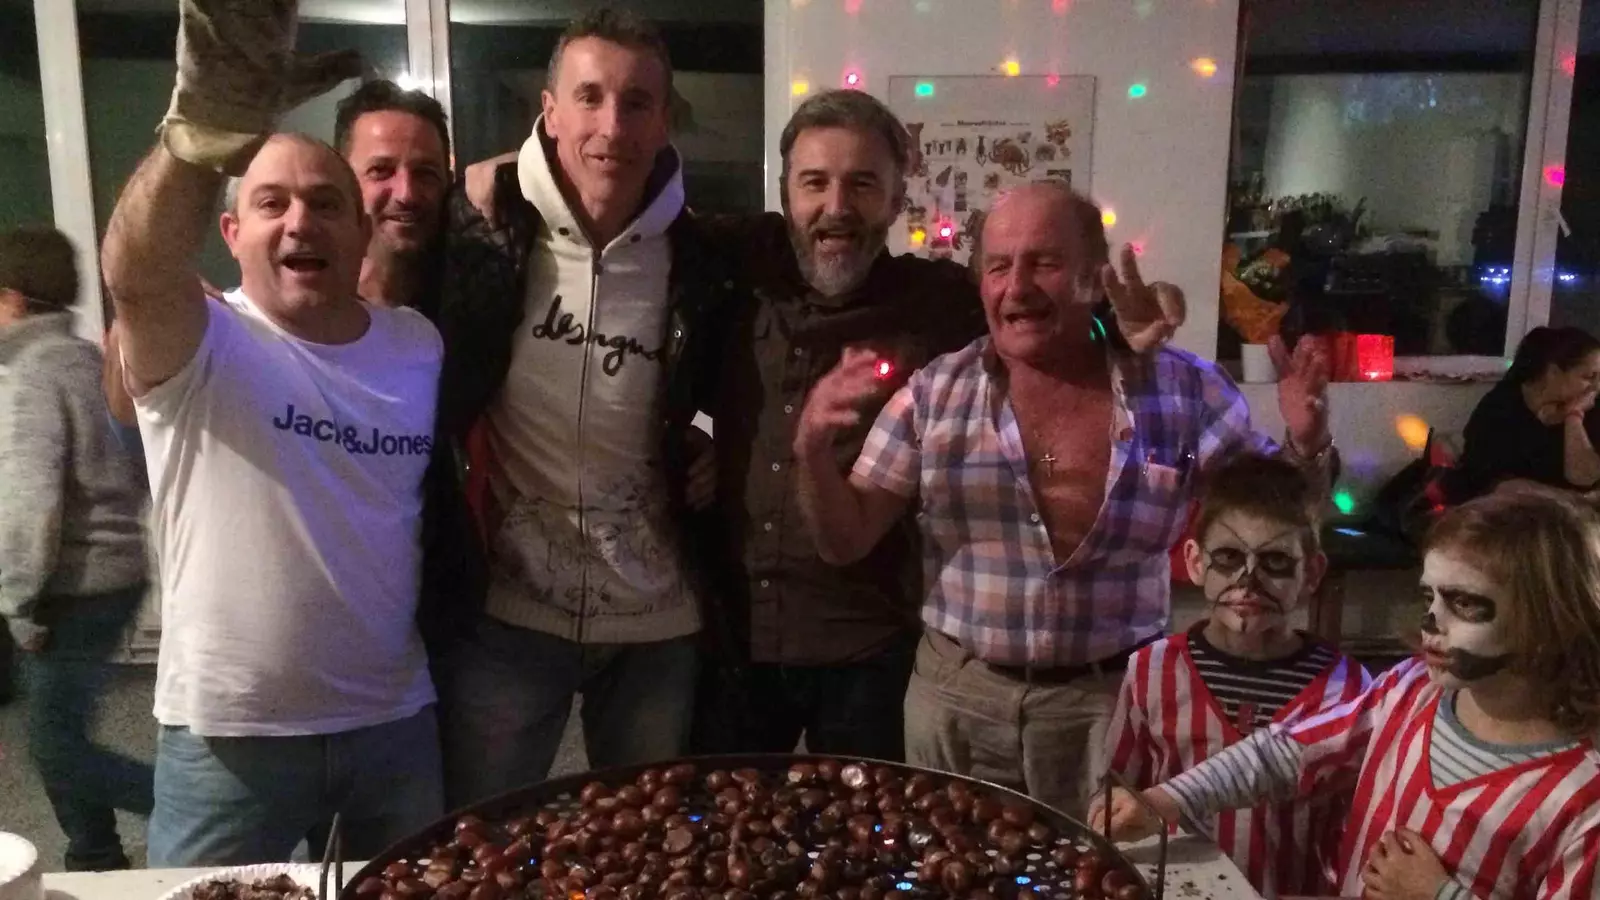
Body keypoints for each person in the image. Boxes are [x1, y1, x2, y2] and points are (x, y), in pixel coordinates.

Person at [793, 181, 1335, 815]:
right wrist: (811, 451)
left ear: (1093, 277)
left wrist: (1306, 442)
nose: (1017, 287)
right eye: (999, 266)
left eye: (1044, 263)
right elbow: (845, 540)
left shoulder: (1182, 390)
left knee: (1111, 865)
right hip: (957, 702)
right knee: (951, 864)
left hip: (1118, 702)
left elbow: (1272, 515)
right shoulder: (934, 394)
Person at [100, 1, 442, 866]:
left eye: (326, 203)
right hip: (231, 740)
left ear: (360, 230)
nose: (300, 222)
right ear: (231, 232)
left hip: (393, 724)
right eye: (271, 202)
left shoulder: (418, 346)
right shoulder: (201, 338)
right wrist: (198, 140)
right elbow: (137, 270)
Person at [434, 8, 738, 807]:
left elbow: (725, 389)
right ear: (550, 111)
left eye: (637, 103)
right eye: (590, 97)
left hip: (654, 619)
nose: (612, 126)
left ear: (664, 121)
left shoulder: (702, 260)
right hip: (507, 609)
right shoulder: (479, 227)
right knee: (483, 833)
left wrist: (711, 440)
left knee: (648, 844)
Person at [1093, 484, 1600, 900]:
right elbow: (1289, 753)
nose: (1430, 622)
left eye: (1464, 603)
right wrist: (1169, 798)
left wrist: (1438, 894)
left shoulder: (1582, 798)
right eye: (1428, 596)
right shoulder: (1409, 691)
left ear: (1549, 620)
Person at [1106, 452, 1369, 896]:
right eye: (1228, 557)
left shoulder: (1348, 690)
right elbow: (1118, 789)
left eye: (1276, 561)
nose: (1248, 582)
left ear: (1312, 573)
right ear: (1195, 562)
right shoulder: (1151, 669)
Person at [0, 226, 152, 871]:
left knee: (56, 746)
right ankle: (94, 853)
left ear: (11, 299)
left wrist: (17, 602)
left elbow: (30, 505)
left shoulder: (32, 375)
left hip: (70, 586)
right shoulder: (89, 361)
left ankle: (187, 806)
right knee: (58, 725)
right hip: (117, 573)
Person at [1443, 325, 1600, 503]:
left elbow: (1584, 478)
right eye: (1589, 377)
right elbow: (1489, 481)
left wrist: (1574, 416)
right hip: (1509, 509)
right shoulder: (1501, 408)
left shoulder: (1592, 408)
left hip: (1571, 511)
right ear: (1554, 372)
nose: (1596, 387)